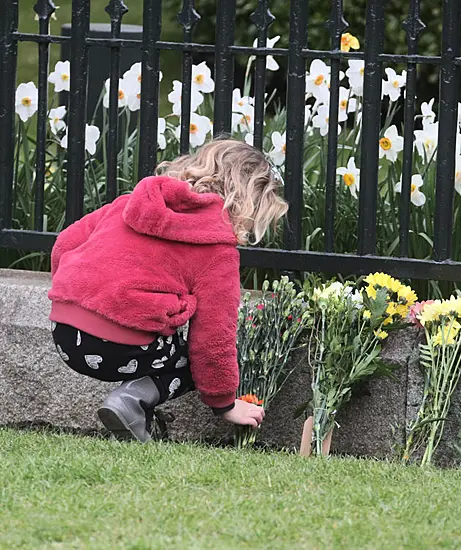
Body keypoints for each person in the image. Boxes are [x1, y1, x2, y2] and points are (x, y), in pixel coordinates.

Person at [48, 139, 287, 442]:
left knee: (160, 336)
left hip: (64, 334)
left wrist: (73, 300)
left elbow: (64, 243)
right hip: (120, 345)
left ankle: (137, 416)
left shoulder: (133, 201)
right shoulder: (216, 246)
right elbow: (213, 339)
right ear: (250, 201)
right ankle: (130, 401)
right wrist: (224, 403)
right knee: (191, 360)